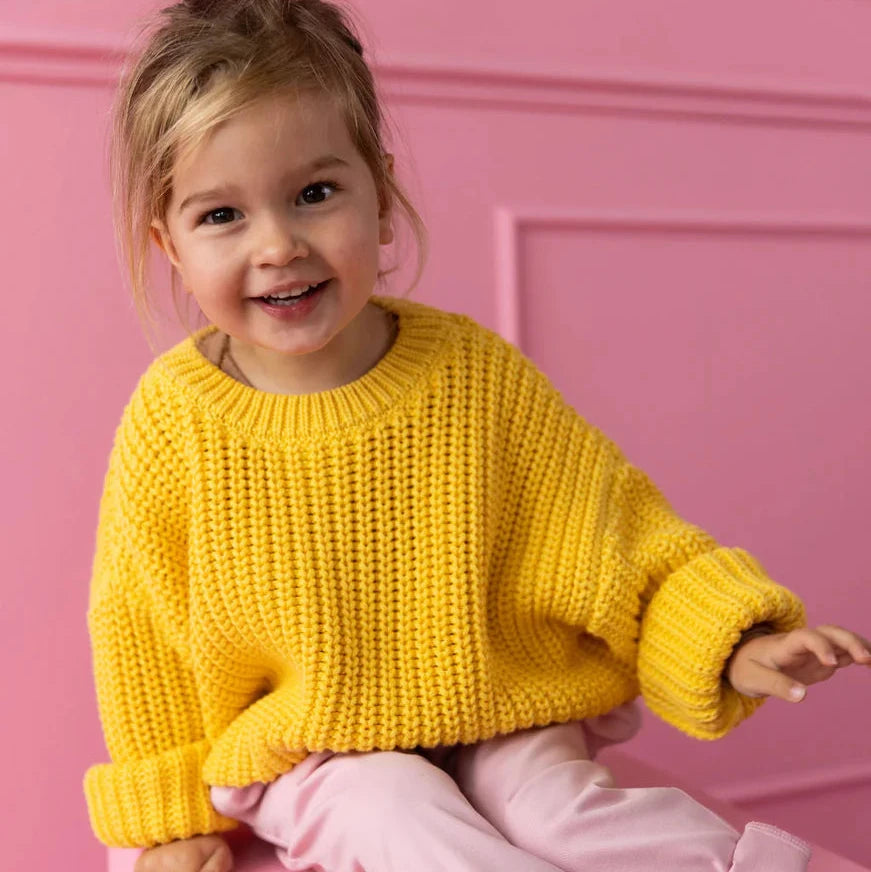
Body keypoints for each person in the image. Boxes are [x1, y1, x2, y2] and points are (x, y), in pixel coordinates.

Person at [84, 1, 870, 870]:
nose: (278, 245)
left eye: (314, 194)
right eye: (221, 216)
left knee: (564, 811)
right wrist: (167, 820)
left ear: (379, 198)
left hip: (502, 709)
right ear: (170, 244)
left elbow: (616, 536)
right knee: (394, 809)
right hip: (312, 752)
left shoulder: (470, 375)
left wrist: (734, 639)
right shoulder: (174, 420)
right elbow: (138, 630)